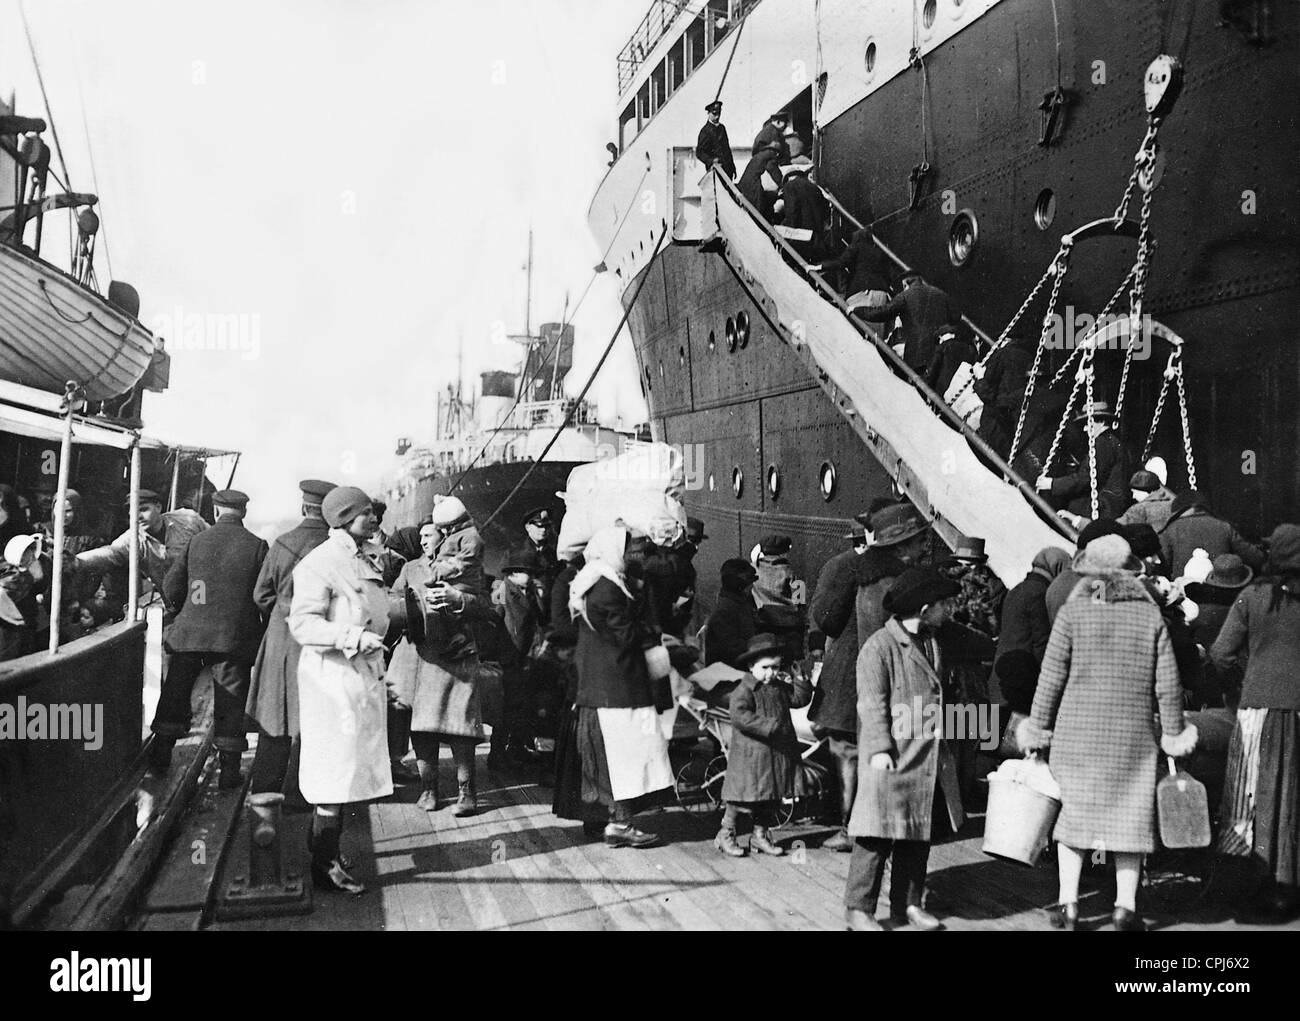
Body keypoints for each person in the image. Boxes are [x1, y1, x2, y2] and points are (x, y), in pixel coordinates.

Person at [1019, 533, 1196, 931]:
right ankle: (1125, 908)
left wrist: (1038, 727)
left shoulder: (1073, 612)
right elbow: (1167, 683)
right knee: (1130, 817)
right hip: (1131, 735)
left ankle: (1068, 905)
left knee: (1074, 817)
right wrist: (1173, 733)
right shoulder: (1149, 615)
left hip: (1076, 733)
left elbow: (1051, 677)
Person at [844, 567, 970, 931]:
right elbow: (871, 703)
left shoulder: (931, 641)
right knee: (876, 835)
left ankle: (908, 905)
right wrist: (881, 748)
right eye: (944, 604)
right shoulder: (879, 648)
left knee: (918, 834)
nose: (949, 609)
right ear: (926, 606)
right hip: (892, 757)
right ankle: (858, 909)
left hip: (926, 756)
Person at [288, 486, 394, 895]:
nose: (373, 519)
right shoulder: (322, 563)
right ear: (343, 519)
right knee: (335, 773)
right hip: (333, 681)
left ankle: (325, 853)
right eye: (365, 514)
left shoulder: (359, 556)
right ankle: (324, 866)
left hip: (358, 677)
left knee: (347, 771)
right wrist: (352, 636)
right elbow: (303, 625)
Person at [810, 501, 928, 854]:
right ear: (902, 544)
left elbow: (824, 618)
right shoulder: (898, 579)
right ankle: (860, 827)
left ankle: (851, 825)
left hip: (848, 670)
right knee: (860, 751)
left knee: (849, 750)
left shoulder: (844, 566)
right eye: (919, 541)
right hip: (867, 675)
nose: (924, 547)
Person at [1210, 523, 1300, 922]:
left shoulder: (1253, 597)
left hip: (1256, 710)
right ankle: (1287, 882)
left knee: (1248, 793)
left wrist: (1242, 681)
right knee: (1291, 797)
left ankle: (1248, 881)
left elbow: (1220, 653)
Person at [150, 490, 268, 785]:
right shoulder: (257, 546)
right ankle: (229, 772)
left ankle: (160, 756)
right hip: (233, 638)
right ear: (243, 513)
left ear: (216, 511)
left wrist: (185, 610)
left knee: (176, 691)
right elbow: (264, 594)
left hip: (190, 633)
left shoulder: (197, 541)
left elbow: (172, 585)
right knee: (232, 700)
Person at [388, 513, 496, 816]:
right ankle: (430, 790)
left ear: (446, 537)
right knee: (422, 726)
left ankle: (467, 793)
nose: (424, 540)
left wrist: (457, 599)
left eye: (430, 534)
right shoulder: (411, 569)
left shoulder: (465, 566)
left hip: (455, 655)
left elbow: (486, 607)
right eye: (420, 536)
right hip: (417, 658)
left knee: (460, 724)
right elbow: (392, 602)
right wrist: (406, 610)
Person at [571, 526, 672, 849]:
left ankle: (619, 821)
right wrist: (655, 636)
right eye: (633, 552)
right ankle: (621, 823)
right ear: (617, 552)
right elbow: (626, 636)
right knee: (626, 756)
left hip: (604, 686)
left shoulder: (593, 580)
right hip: (617, 689)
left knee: (616, 758)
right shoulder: (608, 588)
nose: (637, 558)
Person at [245, 479, 342, 799]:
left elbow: (261, 594)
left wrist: (287, 614)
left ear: (303, 508)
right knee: (316, 719)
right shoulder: (336, 548)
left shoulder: (282, 543)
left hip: (282, 639)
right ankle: (304, 794)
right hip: (323, 643)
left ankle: (265, 791)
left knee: (275, 715)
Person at [715, 633, 814, 858]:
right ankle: (726, 832)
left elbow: (798, 700)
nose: (770, 673)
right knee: (742, 798)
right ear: (751, 666)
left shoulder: (778, 686)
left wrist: (801, 681)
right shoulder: (745, 689)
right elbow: (740, 716)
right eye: (765, 667)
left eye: (775, 667)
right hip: (752, 755)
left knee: (772, 796)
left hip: (776, 754)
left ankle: (760, 835)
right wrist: (768, 726)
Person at [75, 489, 208, 624]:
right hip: (175, 603)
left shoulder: (188, 520)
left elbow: (216, 543)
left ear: (158, 507)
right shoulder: (133, 538)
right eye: (133, 513)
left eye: (144, 509)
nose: (138, 516)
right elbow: (111, 552)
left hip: (204, 592)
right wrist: (77, 560)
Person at [990, 547, 1071, 708]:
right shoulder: (1039, 593)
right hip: (1021, 682)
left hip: (1002, 677)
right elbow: (1041, 642)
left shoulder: (1016, 589)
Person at [1035, 401, 1129, 522]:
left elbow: (1086, 478)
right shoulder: (1115, 442)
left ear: (1101, 422)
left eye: (1088, 424)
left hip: (1101, 509)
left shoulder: (1102, 443)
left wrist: (1052, 484)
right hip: (1112, 507)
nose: (1085, 429)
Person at [858, 271, 960, 374]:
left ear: (906, 284)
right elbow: (956, 316)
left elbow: (883, 312)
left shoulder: (906, 295)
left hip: (913, 349)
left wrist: (858, 311)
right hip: (934, 351)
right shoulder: (942, 296)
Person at [1158, 490, 1265, 579]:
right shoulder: (1224, 526)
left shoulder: (1170, 530)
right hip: (1221, 590)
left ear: (1177, 511)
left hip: (1185, 595)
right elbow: (1255, 558)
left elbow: (1161, 565)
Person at [972, 334, 1035, 458]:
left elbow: (988, 386)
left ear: (1004, 340)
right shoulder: (1028, 357)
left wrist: (979, 377)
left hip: (995, 418)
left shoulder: (1002, 354)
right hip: (1014, 420)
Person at [809, 225, 893, 314]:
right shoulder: (880, 253)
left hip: (862, 292)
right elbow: (888, 275)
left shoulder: (857, 246)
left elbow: (841, 262)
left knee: (854, 320)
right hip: (881, 294)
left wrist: (819, 267)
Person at [704, 557, 758, 668]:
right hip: (727, 675)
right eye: (749, 582)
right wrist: (758, 646)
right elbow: (730, 648)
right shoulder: (726, 609)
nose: (752, 586)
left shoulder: (739, 603)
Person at [775, 156, 828, 262]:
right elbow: (825, 210)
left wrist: (788, 232)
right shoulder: (814, 187)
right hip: (816, 236)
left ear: (788, 178)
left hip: (801, 236)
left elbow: (792, 211)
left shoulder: (790, 186)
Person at [521, 505, 560, 626]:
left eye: (546, 526)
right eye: (539, 526)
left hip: (551, 615)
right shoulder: (514, 554)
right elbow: (498, 586)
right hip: (526, 615)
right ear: (528, 527)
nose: (543, 530)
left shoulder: (555, 554)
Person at [923, 326, 977, 399]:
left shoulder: (947, 345)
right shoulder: (972, 352)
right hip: (956, 394)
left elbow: (933, 368)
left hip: (939, 389)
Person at [737, 139, 782, 220]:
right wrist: (781, 183)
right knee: (758, 205)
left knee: (750, 203)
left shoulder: (761, 154)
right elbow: (772, 170)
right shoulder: (771, 155)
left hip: (745, 181)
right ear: (777, 152)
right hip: (753, 182)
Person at [695, 100, 736, 180]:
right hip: (715, 172)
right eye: (714, 114)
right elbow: (699, 152)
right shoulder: (705, 131)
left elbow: (727, 149)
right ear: (708, 113)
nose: (717, 116)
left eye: (719, 113)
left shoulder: (722, 128)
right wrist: (712, 161)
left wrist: (733, 167)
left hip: (727, 171)